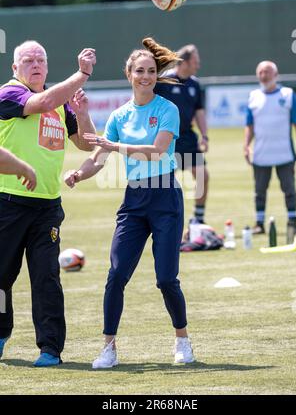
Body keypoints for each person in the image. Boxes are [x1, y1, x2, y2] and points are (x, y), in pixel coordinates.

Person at [64, 37, 195, 368]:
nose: (146, 76)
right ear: (129, 74)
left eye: (151, 71)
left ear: (156, 74)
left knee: (166, 279)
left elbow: (158, 152)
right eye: (140, 71)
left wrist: (114, 145)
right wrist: (79, 174)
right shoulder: (120, 115)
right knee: (117, 274)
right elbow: (98, 157)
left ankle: (182, 341)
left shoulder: (168, 109)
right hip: (134, 200)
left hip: (166, 197)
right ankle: (108, 348)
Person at [0, 40, 96, 366]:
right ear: (15, 68)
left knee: (46, 278)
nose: (36, 64)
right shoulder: (9, 93)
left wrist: (82, 115)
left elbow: (85, 143)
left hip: (47, 206)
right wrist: (81, 75)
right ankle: (0, 333)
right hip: (8, 202)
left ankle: (50, 349)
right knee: (1, 277)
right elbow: (41, 103)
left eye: (40, 59)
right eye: (28, 60)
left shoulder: (61, 103)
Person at [154, 44, 209, 229]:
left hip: (187, 137)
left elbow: (199, 112)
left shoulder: (195, 84)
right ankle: (161, 217)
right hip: (167, 139)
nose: (198, 65)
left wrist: (205, 136)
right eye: (195, 61)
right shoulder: (165, 81)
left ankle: (199, 218)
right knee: (166, 181)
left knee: (202, 175)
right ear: (184, 62)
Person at [244, 60, 296, 234]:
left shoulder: (288, 94)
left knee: (289, 189)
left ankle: (292, 222)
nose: (263, 75)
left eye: (267, 71)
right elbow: (250, 125)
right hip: (261, 154)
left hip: (284, 153)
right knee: (259, 191)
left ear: (276, 74)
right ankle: (259, 224)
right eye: (260, 72)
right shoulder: (253, 96)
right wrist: (246, 146)